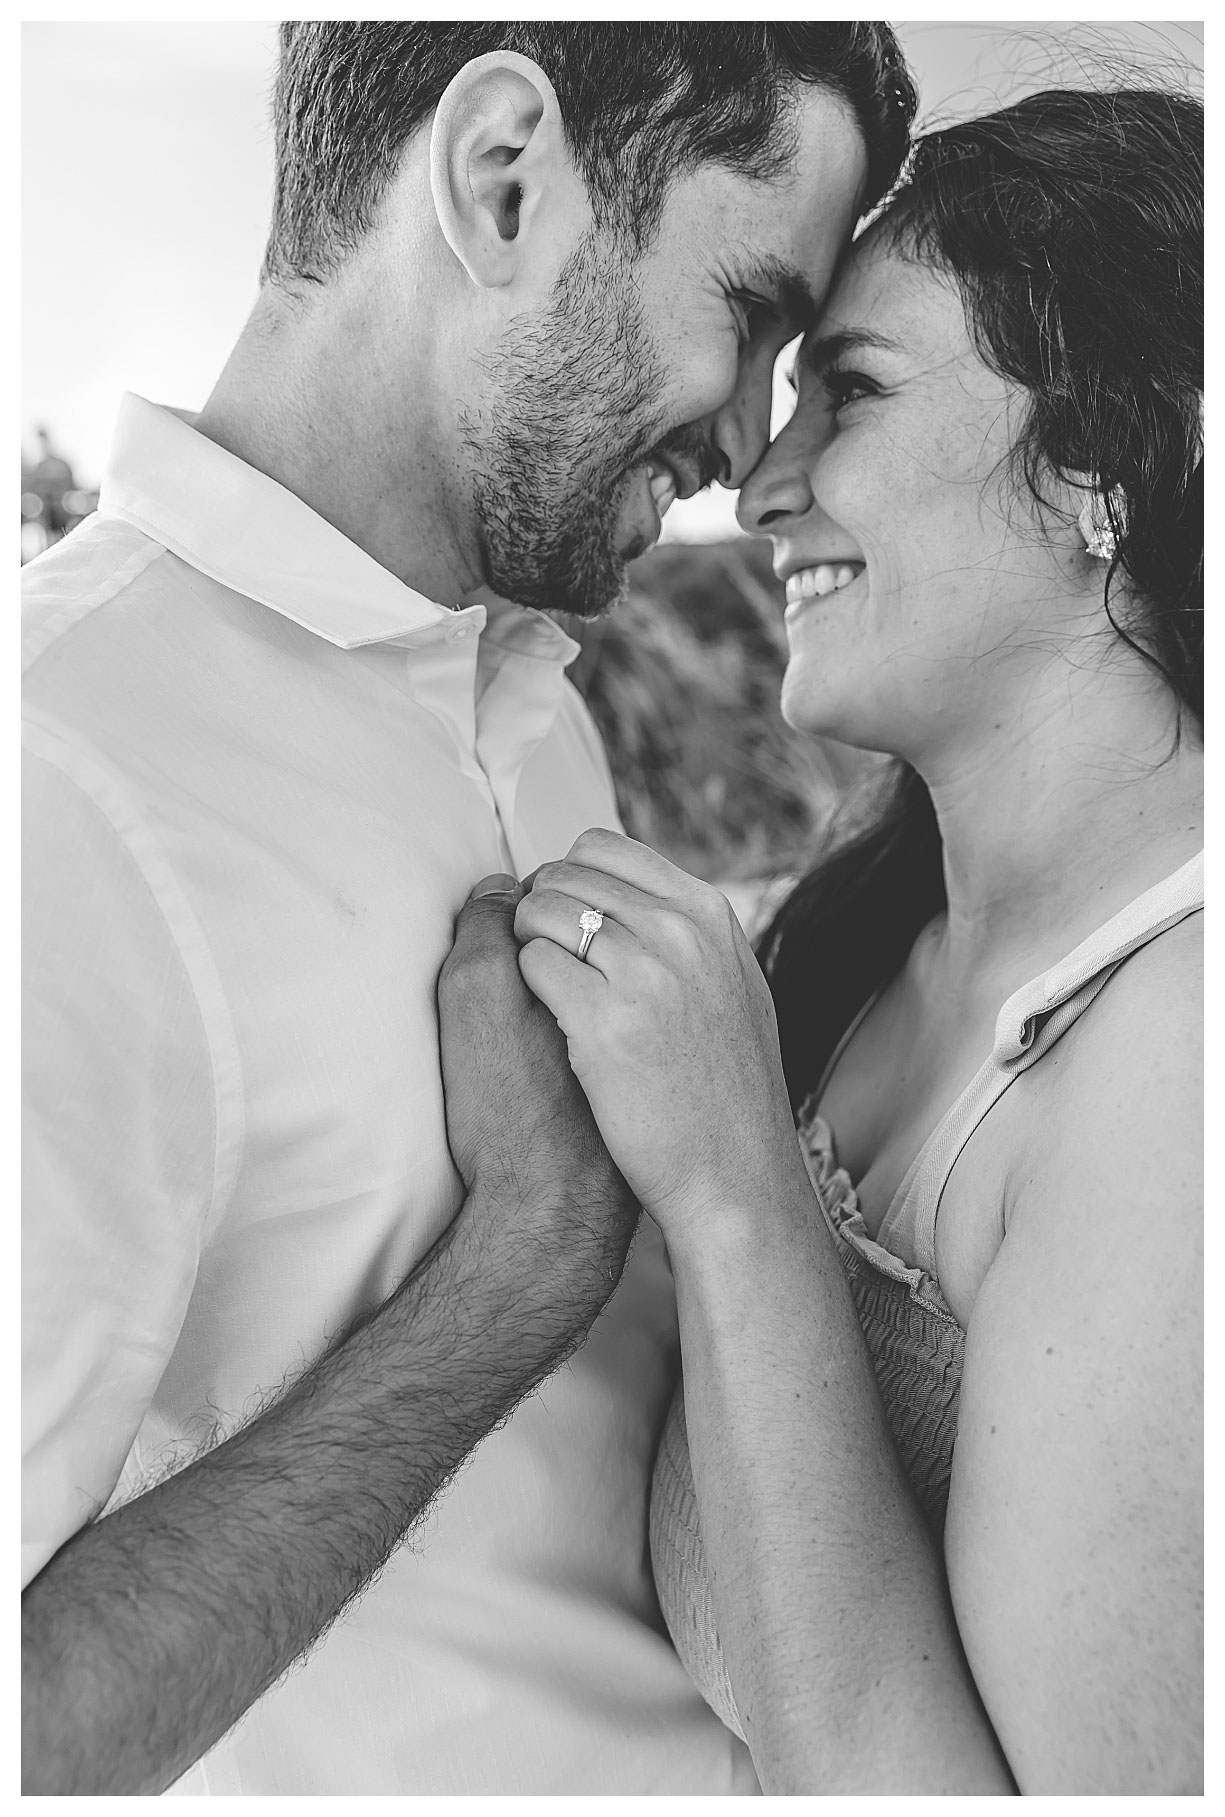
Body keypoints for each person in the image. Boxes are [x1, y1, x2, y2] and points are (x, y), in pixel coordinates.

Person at [20, 22, 918, 1797]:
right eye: (746, 313)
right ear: (502, 173)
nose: (751, 446)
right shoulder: (56, 776)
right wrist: (509, 1275)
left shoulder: (520, 690)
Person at [476, 86, 1203, 1792]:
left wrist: (736, 1194)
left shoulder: (1178, 1077)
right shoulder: (879, 931)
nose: (765, 481)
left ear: (1111, 455)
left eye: (852, 392)